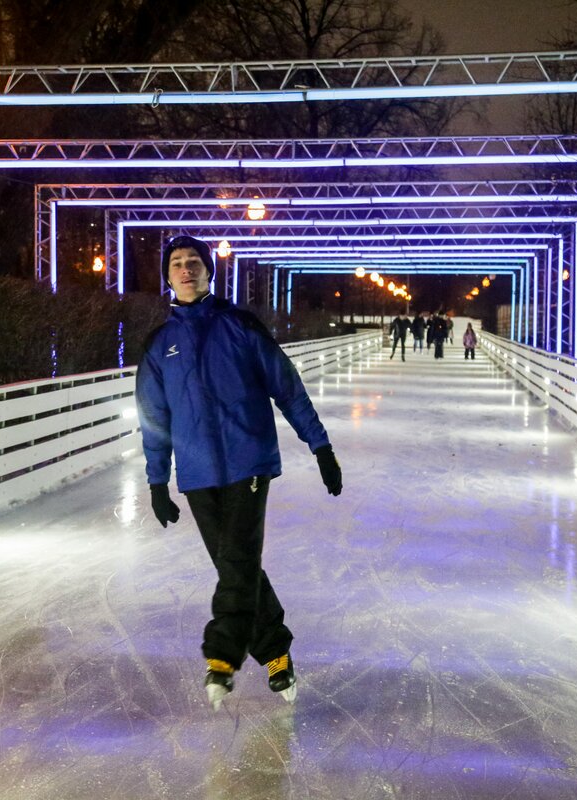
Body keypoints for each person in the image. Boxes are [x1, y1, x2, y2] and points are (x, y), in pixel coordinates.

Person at [136, 235, 343, 712]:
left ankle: (222, 658)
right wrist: (156, 480)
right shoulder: (158, 345)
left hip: (248, 462)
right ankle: (276, 656)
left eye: (194, 262)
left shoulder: (241, 326)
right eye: (177, 264)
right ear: (167, 277)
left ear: (209, 271)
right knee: (237, 566)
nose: (186, 269)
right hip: (197, 473)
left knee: (238, 562)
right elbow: (154, 418)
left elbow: (287, 389)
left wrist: (321, 446)